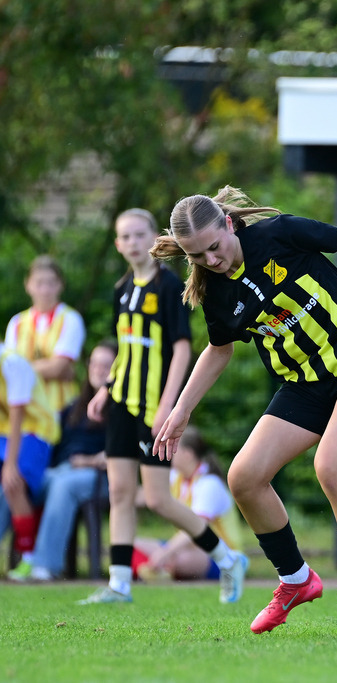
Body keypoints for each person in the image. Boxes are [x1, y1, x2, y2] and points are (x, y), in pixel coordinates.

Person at [149, 186, 337, 636]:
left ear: (230, 224)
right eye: (197, 257)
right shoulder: (216, 292)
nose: (211, 261)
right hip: (303, 386)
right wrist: (180, 411)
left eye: (214, 248)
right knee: (244, 477)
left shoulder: (281, 234)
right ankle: (295, 580)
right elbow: (218, 351)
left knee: (331, 466)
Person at [78, 208, 248, 606]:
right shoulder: (122, 289)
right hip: (122, 402)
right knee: (120, 492)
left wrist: (168, 405)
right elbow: (126, 346)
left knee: (157, 499)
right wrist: (107, 388)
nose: (133, 242)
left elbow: (182, 347)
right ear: (118, 244)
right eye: (126, 237)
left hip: (153, 406)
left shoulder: (168, 287)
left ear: (152, 238)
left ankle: (227, 559)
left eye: (140, 235)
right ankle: (119, 583)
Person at [8, 340, 116, 581]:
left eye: (106, 365)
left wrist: (86, 461)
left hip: (99, 478)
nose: (99, 370)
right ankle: (24, 558)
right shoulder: (72, 408)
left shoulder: (122, 409)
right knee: (15, 480)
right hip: (59, 471)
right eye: (95, 364)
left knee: (62, 486)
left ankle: (45, 567)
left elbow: (121, 455)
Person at [134, 426, 246, 582]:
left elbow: (197, 528)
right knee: (130, 545)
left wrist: (166, 553)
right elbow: (144, 496)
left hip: (220, 552)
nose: (166, 451)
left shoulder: (209, 484)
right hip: (187, 549)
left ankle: (159, 571)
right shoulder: (177, 477)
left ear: (187, 454)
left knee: (180, 560)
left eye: (172, 446)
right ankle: (160, 571)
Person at [1, 342, 60, 565]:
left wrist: (10, 463)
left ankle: (28, 558)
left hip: (38, 430)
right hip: (6, 432)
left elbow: (18, 417)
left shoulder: (12, 363)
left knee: (13, 482)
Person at [5, 255, 86, 415]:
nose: (45, 290)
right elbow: (8, 371)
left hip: (61, 411)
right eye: (39, 283)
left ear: (61, 285)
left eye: (51, 283)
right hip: (26, 413)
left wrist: (23, 369)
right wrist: (52, 367)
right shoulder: (16, 323)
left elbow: (58, 368)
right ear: (27, 285)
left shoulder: (70, 318)